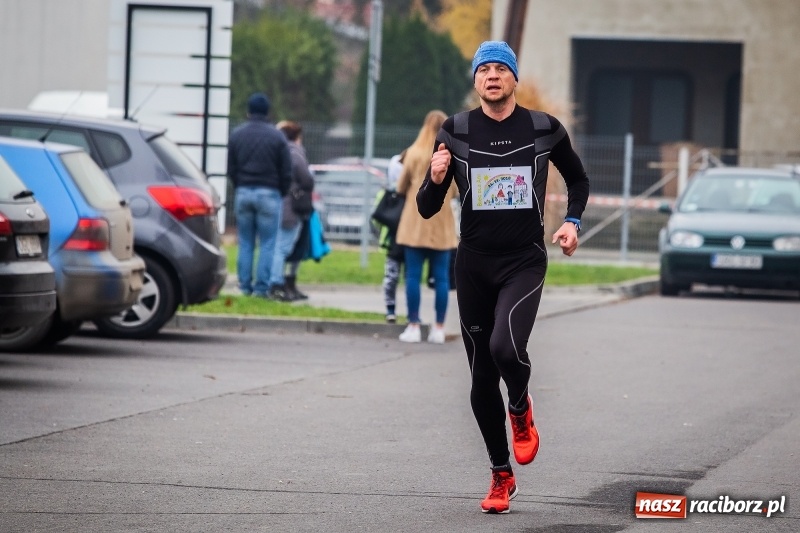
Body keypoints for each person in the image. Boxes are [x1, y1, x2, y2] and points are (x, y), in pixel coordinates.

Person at [416, 41, 590, 513]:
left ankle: (520, 407)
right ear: (475, 80)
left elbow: (578, 179)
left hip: (523, 260)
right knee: (478, 380)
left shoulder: (543, 128)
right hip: (472, 264)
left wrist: (572, 221)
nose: (492, 76)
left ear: (513, 78)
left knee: (503, 347)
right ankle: (500, 475)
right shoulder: (454, 131)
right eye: (484, 69)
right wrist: (434, 179)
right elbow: (426, 208)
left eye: (501, 68)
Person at [395, 110, 458, 344]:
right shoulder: (450, 157)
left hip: (414, 223)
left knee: (412, 275)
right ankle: (438, 328)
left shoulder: (413, 153)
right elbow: (456, 192)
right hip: (442, 224)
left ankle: (413, 326)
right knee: (442, 278)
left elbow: (400, 187)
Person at [227, 92, 292, 298]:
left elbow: (231, 167)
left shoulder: (237, 134)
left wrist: (240, 185)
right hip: (270, 193)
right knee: (268, 243)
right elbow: (286, 170)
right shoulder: (277, 137)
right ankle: (261, 289)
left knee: (245, 242)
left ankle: (244, 286)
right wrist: (280, 190)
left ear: (248, 111)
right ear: (268, 113)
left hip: (244, 191)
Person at [268, 120, 315, 301]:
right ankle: (277, 284)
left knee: (276, 246)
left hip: (277, 202)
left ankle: (278, 283)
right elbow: (306, 179)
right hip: (291, 206)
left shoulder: (276, 151)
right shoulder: (294, 153)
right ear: (296, 137)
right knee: (283, 247)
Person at [379, 150, 406, 323]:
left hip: (395, 240)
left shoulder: (391, 196)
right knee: (401, 276)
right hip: (398, 240)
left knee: (394, 276)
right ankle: (395, 310)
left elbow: (377, 217)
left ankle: (391, 310)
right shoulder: (392, 195)